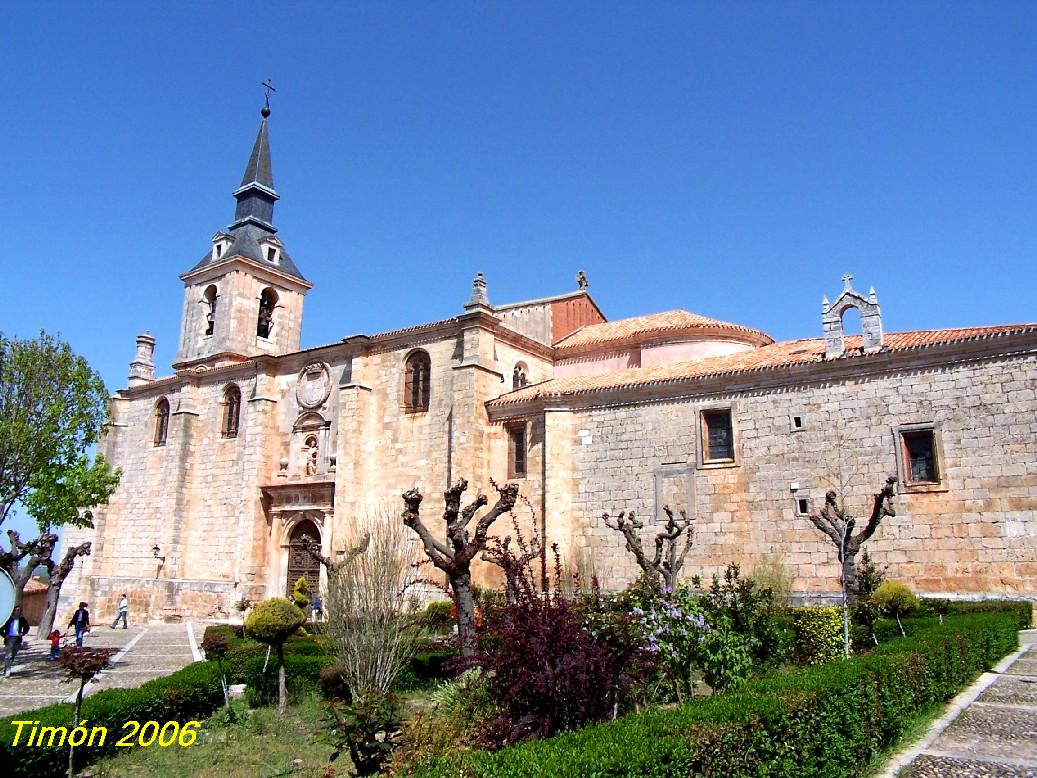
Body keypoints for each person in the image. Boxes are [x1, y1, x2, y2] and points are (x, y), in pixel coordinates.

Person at [3, 606, 30, 676]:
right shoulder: (8, 618)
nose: (18, 611)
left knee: (13, 655)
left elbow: (27, 627)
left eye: (19, 610)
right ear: (13, 611)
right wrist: (4, 635)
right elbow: (1, 626)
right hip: (9, 638)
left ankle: (6, 667)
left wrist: (23, 633)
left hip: (17, 639)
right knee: (8, 655)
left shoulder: (21, 619)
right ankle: (8, 670)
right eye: (16, 610)